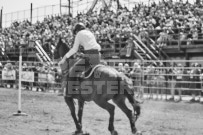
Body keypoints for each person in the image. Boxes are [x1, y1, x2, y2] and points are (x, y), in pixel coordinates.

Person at [58, 22, 101, 96]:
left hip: (89, 56)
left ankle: (70, 93)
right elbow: (96, 47)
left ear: (77, 30)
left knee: (73, 70)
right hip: (98, 55)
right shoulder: (90, 33)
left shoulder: (79, 34)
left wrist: (64, 58)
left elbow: (74, 49)